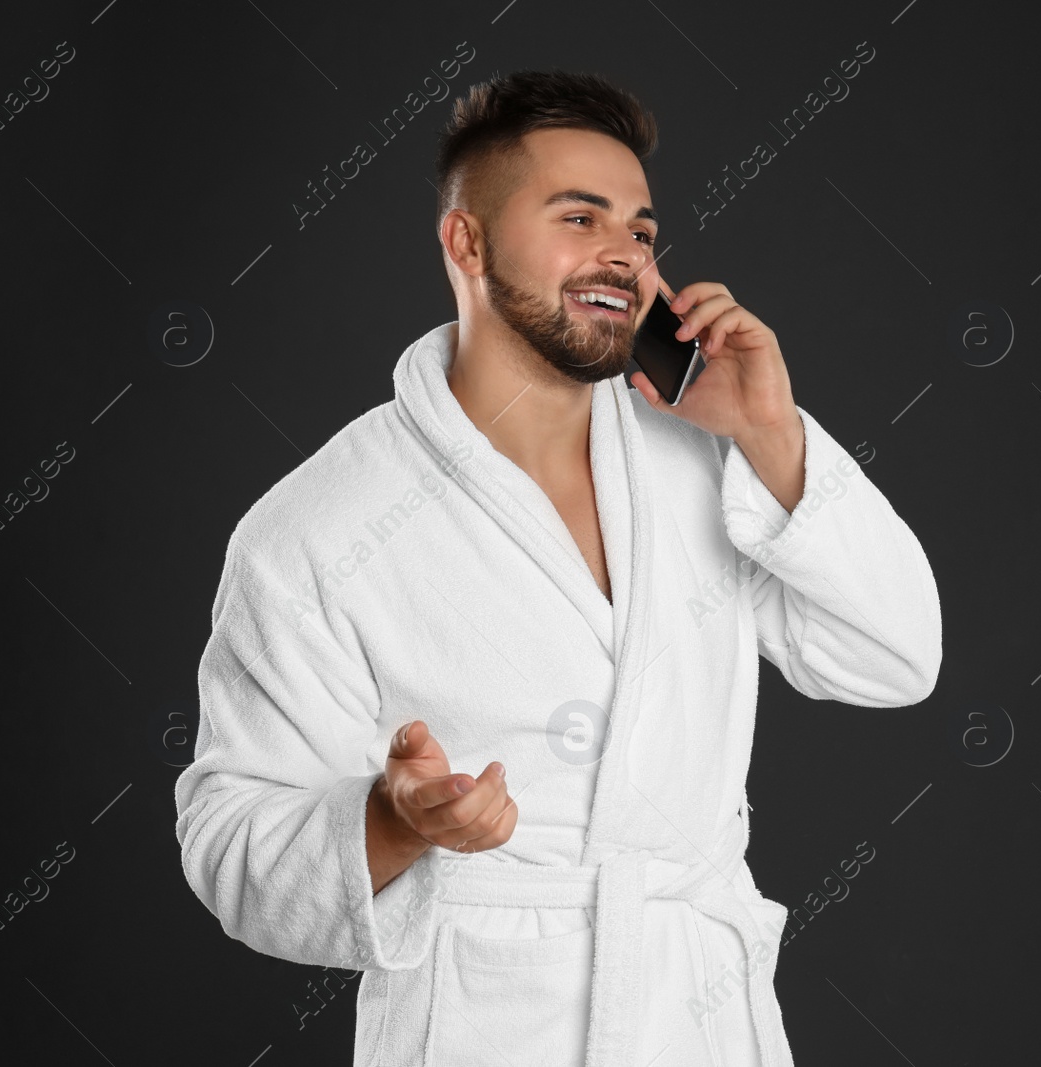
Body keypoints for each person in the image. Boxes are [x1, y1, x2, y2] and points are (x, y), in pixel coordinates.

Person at [174, 68, 941, 1067]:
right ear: (468, 241)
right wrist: (393, 820)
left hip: (699, 1017)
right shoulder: (317, 526)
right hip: (482, 1029)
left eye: (640, 230)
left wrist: (769, 430)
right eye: (580, 218)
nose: (622, 253)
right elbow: (232, 849)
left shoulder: (704, 456)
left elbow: (895, 656)